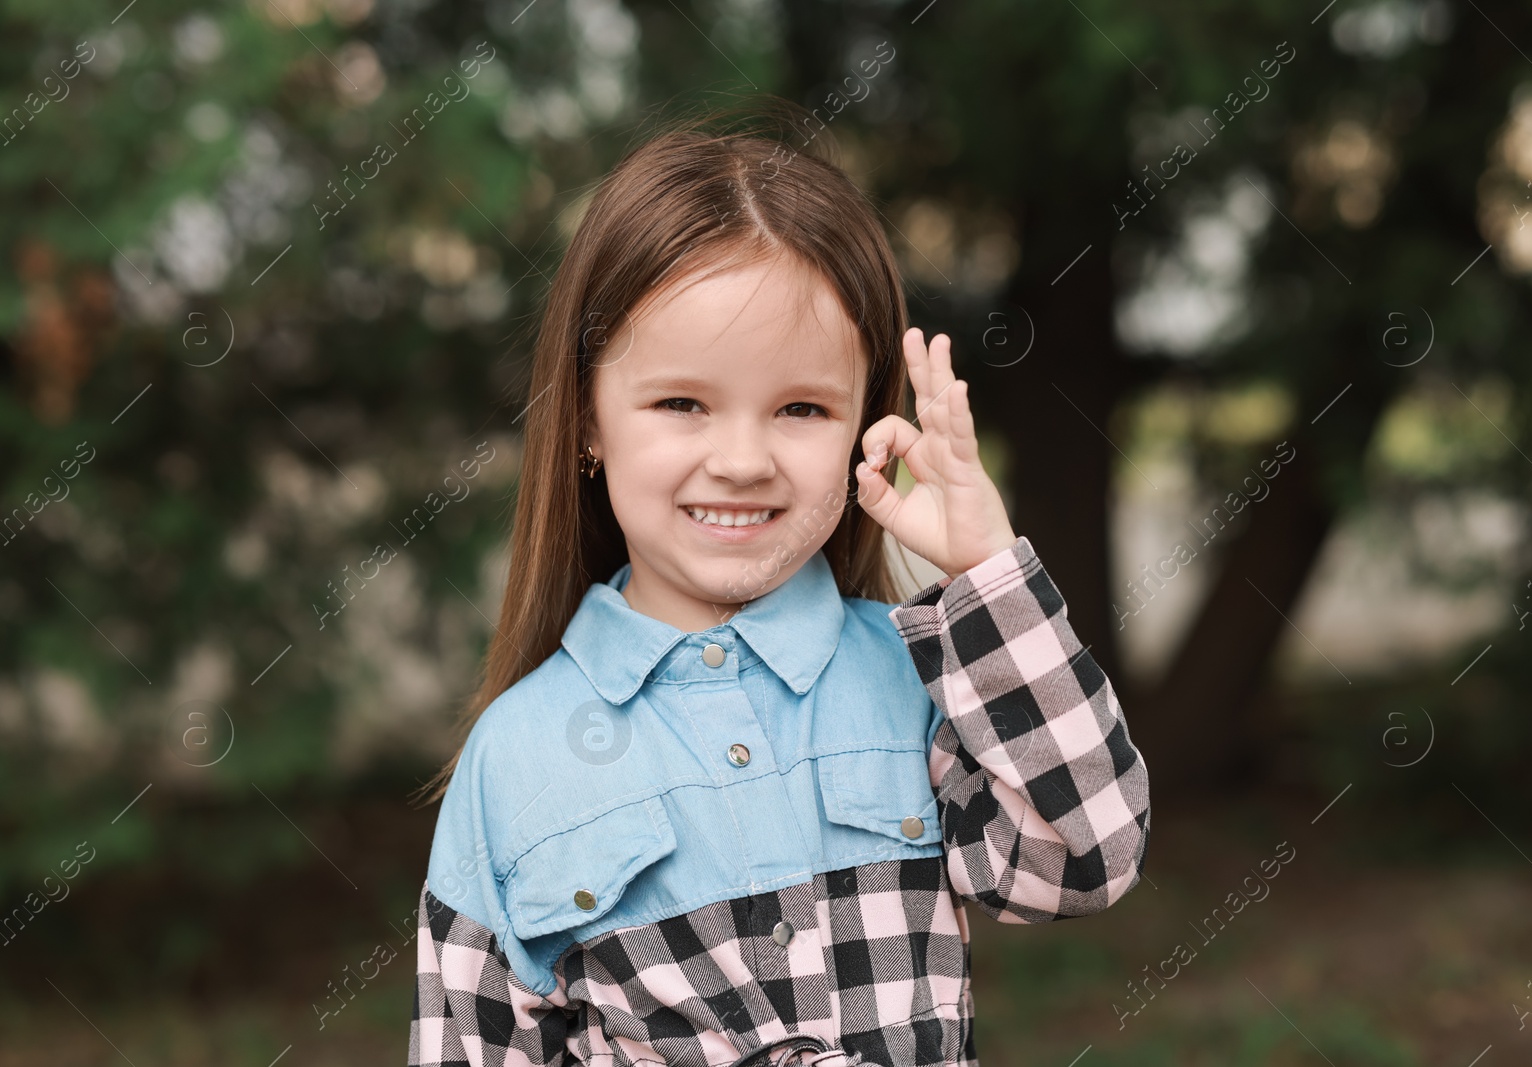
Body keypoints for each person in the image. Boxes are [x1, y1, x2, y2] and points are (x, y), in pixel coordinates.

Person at [408, 102, 1150, 1067]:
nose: (743, 459)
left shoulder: (918, 677)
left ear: (860, 426)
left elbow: (1088, 856)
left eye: (801, 407)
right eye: (683, 402)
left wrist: (985, 570)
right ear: (589, 417)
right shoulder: (515, 760)